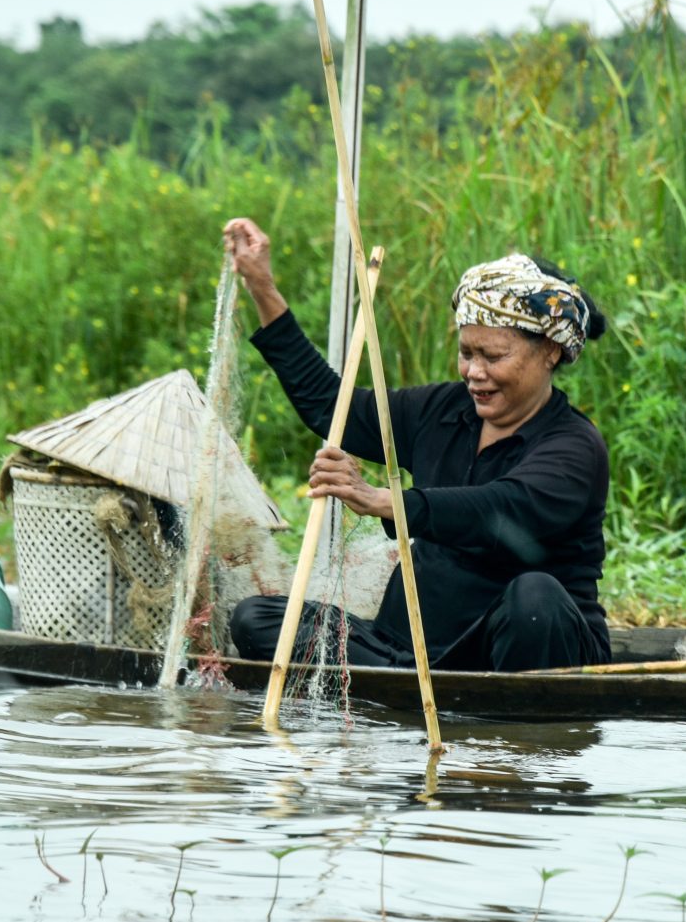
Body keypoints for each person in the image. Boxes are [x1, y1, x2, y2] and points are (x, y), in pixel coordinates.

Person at [220, 217, 611, 673]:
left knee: (535, 598)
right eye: (467, 353)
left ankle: (503, 722)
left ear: (551, 352)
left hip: (518, 650)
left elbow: (499, 510)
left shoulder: (574, 446)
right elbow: (333, 406)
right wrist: (263, 287)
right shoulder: (440, 409)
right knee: (258, 619)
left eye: (494, 356)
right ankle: (403, 689)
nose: (474, 372)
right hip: (412, 655)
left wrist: (386, 502)